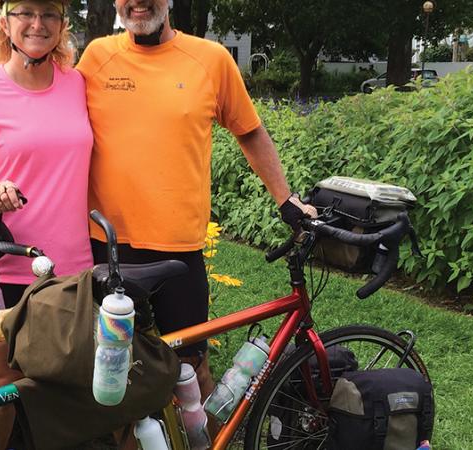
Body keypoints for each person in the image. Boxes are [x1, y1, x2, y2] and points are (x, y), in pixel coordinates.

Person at [76, 0, 316, 436]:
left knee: (192, 366)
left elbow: (250, 130)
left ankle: (204, 441)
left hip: (180, 249)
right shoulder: (96, 57)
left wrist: (286, 200)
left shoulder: (210, 60)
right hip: (109, 248)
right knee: (115, 373)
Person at [0, 1, 93, 448]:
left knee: (67, 384)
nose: (37, 24)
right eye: (26, 12)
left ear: (62, 24)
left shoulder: (77, 85)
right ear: (6, 22)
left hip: (68, 266)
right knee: (2, 388)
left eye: (49, 13)